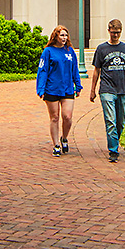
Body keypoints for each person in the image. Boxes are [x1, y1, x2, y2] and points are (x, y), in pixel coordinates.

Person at [88, 19, 125, 163]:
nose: (115, 35)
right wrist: (92, 90)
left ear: (121, 32)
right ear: (108, 31)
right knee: (110, 120)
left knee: (121, 121)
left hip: (122, 89)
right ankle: (113, 150)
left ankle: (114, 141)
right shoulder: (101, 49)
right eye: (113, 33)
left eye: (117, 33)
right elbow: (96, 71)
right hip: (106, 89)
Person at [36, 25, 82, 157]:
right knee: (54, 117)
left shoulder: (70, 51)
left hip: (67, 88)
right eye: (61, 35)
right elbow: (43, 70)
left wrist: (77, 86)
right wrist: (41, 88)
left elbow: (75, 70)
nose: (64, 38)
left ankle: (64, 138)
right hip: (52, 89)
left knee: (67, 116)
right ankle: (56, 144)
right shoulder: (48, 51)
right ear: (55, 36)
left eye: (66, 35)